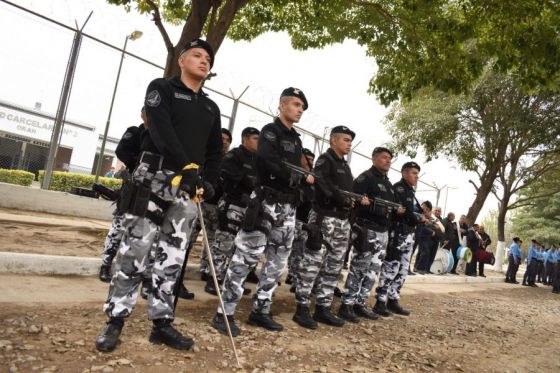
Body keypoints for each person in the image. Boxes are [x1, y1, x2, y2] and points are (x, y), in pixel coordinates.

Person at [95, 39, 222, 352]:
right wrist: (188, 166)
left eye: (208, 58)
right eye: (197, 55)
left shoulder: (210, 107)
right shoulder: (162, 89)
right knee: (135, 249)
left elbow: (215, 151)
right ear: (181, 60)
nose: (204, 61)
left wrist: (211, 182)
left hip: (188, 189)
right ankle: (116, 319)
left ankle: (162, 323)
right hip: (155, 178)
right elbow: (162, 132)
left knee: (173, 255)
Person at [211, 87, 313, 336]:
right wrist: (299, 174)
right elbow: (269, 162)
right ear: (282, 105)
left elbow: (296, 168)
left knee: (277, 263)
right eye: (296, 105)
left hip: (288, 207)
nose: (300, 110)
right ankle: (224, 313)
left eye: (302, 107)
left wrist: (302, 178)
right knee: (245, 257)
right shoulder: (270, 132)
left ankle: (260, 311)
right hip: (267, 203)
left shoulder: (296, 139)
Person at [293, 126, 355, 329]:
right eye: (345, 140)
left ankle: (323, 308)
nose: (349, 144)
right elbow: (321, 184)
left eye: (350, 141)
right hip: (323, 218)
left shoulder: (345, 166)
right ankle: (301, 308)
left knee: (334, 266)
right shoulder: (324, 161)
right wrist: (340, 197)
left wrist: (348, 201)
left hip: (341, 221)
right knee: (312, 263)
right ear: (333, 141)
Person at [337, 147, 405, 322]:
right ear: (374, 158)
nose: (388, 160)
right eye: (384, 157)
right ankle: (347, 304)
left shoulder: (388, 184)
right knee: (359, 268)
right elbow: (353, 201)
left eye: (390, 158)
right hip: (366, 228)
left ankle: (360, 303)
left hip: (382, 231)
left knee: (373, 271)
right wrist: (363, 204)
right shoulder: (365, 178)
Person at [204, 126, 260, 295]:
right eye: (256, 139)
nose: (259, 143)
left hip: (247, 208)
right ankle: (212, 280)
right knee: (223, 243)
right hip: (232, 204)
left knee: (239, 247)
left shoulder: (257, 159)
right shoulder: (234, 155)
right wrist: (250, 181)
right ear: (245, 139)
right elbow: (232, 175)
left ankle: (232, 281)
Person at [99, 107, 148, 283]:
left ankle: (130, 270)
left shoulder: (160, 136)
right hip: (131, 187)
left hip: (148, 191)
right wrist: (139, 164)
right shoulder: (135, 132)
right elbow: (121, 152)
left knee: (141, 232)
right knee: (118, 228)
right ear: (142, 114)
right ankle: (105, 265)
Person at [374, 161, 424, 317]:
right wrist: (417, 218)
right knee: (391, 266)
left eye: (417, 173)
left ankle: (393, 299)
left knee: (402, 269)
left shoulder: (410, 191)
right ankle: (380, 301)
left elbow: (408, 212)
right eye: (413, 173)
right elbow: (396, 211)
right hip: (398, 233)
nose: (417, 176)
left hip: (408, 234)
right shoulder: (398, 189)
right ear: (404, 173)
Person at [286, 148, 316, 291]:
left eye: (311, 160)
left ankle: (294, 277)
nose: (309, 162)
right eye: (307, 159)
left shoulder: (313, 178)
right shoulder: (295, 174)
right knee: (286, 249)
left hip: (305, 220)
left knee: (300, 251)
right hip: (291, 217)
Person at [413, 201, 436, 274]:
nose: (426, 211)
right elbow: (423, 226)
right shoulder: (416, 210)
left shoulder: (430, 218)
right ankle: (417, 268)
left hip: (420, 235)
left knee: (423, 252)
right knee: (423, 252)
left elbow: (424, 225)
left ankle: (418, 268)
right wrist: (431, 232)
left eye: (428, 210)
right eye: (426, 209)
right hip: (419, 235)